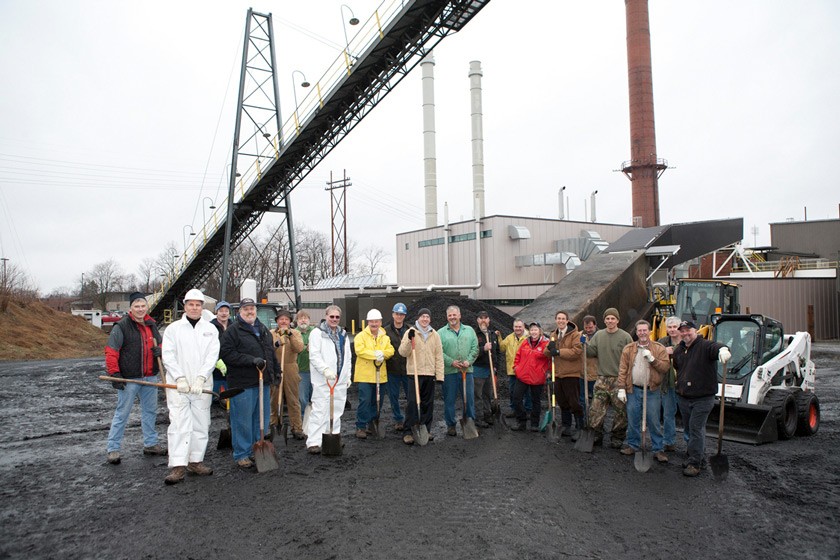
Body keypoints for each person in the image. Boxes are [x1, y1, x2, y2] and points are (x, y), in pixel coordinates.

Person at [160, 289, 219, 485]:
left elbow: (212, 356)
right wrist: (180, 378)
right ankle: (178, 465)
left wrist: (202, 377)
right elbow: (168, 355)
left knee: (201, 423)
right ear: (184, 306)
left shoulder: (210, 330)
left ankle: (195, 461)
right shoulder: (173, 329)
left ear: (202, 307)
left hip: (201, 385)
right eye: (191, 304)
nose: (194, 308)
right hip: (179, 386)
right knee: (178, 423)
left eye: (198, 304)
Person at [104, 291, 166, 464]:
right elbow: (111, 351)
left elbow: (160, 344)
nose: (140, 309)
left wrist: (160, 351)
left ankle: (150, 444)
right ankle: (113, 448)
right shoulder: (122, 326)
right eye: (136, 306)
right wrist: (114, 373)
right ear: (130, 308)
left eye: (143, 306)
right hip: (129, 379)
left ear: (147, 307)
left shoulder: (151, 325)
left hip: (150, 377)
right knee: (122, 413)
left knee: (150, 412)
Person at [219, 298, 280, 469]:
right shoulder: (233, 331)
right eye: (245, 309)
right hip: (242, 383)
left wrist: (276, 371)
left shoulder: (263, 329)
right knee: (242, 420)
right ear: (239, 312)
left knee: (260, 419)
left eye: (252, 309)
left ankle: (256, 447)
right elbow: (227, 354)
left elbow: (270, 352)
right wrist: (251, 360)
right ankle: (242, 453)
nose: (249, 312)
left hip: (263, 382)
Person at [673, 320, 730, 477]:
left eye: (688, 330)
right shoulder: (679, 350)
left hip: (703, 398)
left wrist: (724, 350)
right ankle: (699, 458)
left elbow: (716, 347)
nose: (685, 333)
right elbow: (678, 368)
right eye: (682, 331)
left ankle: (694, 463)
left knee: (696, 428)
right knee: (689, 429)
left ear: (696, 330)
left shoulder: (705, 346)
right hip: (684, 397)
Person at [616, 319, 671, 462]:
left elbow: (665, 367)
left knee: (653, 421)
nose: (642, 333)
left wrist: (652, 359)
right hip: (633, 390)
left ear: (649, 331)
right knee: (633, 418)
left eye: (644, 330)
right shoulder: (629, 349)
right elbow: (622, 370)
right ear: (636, 332)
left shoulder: (658, 348)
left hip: (652, 390)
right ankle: (633, 445)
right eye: (639, 330)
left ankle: (658, 449)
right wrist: (621, 388)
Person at [306, 305, 352, 454]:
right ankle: (314, 441)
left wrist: (348, 375)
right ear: (326, 316)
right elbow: (314, 355)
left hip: (339, 379)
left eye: (337, 317)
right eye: (331, 317)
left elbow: (348, 357)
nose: (334, 319)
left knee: (337, 409)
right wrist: (324, 370)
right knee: (320, 409)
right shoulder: (317, 334)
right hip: (323, 379)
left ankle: (333, 436)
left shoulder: (343, 334)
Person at [585, 308, 633, 448]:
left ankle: (617, 437)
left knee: (620, 412)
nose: (610, 321)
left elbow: (631, 358)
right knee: (596, 409)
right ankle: (596, 435)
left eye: (613, 318)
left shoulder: (625, 337)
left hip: (619, 380)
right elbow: (590, 352)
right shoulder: (599, 335)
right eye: (607, 318)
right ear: (604, 320)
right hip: (601, 379)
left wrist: (626, 381)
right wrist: (584, 344)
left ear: (617, 320)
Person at [398, 308, 444, 444]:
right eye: (423, 316)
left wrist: (440, 375)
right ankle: (408, 431)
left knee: (428, 404)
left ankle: (425, 429)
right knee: (412, 403)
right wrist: (408, 339)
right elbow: (402, 352)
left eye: (427, 317)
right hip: (414, 373)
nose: (425, 319)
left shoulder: (434, 334)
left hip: (429, 373)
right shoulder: (410, 332)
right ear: (418, 318)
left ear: (430, 319)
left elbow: (438, 356)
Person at [353, 309, 395, 439]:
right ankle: (361, 426)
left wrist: (383, 354)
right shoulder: (360, 336)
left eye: (376, 321)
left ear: (380, 322)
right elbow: (360, 351)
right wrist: (375, 354)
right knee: (364, 401)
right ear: (368, 322)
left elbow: (391, 350)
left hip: (380, 376)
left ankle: (372, 423)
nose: (374, 324)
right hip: (365, 375)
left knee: (377, 401)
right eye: (371, 321)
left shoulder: (385, 337)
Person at [438, 305, 479, 437]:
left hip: (467, 371)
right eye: (450, 315)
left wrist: (469, 361)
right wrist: (451, 361)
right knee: (449, 400)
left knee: (469, 398)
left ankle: (470, 421)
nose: (452, 317)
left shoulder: (469, 330)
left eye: (454, 315)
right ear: (447, 317)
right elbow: (438, 352)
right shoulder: (440, 333)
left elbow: (475, 348)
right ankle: (451, 425)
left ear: (460, 315)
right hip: (450, 372)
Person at [545, 310, 584, 440]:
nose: (560, 321)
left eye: (563, 319)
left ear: (567, 320)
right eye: (558, 319)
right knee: (562, 401)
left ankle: (579, 427)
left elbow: (577, 351)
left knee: (574, 401)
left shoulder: (575, 335)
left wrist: (558, 351)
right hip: (558, 374)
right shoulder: (553, 335)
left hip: (571, 373)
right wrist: (549, 348)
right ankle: (567, 425)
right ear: (555, 320)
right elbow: (547, 353)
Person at [272, 310, 305, 440]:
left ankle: (296, 428)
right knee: (274, 399)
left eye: (286, 319)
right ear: (277, 321)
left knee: (293, 400)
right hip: (276, 367)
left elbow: (299, 348)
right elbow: (267, 349)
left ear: (290, 321)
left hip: (291, 367)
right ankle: (274, 425)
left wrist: (290, 336)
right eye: (281, 319)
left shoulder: (296, 333)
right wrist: (277, 344)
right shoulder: (271, 333)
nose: (284, 321)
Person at [511, 322, 550, 431]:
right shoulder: (525, 342)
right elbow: (518, 355)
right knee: (516, 398)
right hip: (522, 375)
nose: (533, 332)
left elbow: (550, 359)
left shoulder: (546, 344)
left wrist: (549, 371)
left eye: (535, 329)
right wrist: (516, 367)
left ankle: (534, 424)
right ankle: (521, 421)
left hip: (537, 377)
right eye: (532, 330)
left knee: (535, 401)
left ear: (540, 331)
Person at [384, 303, 410, 432]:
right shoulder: (385, 330)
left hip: (408, 369)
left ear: (405, 315)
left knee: (410, 395)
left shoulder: (411, 330)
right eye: (397, 314)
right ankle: (398, 419)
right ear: (393, 314)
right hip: (392, 369)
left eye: (402, 314)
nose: (399, 316)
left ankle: (410, 418)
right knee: (393, 396)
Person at [657, 316, 682, 452]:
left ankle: (690, 443)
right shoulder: (662, 342)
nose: (672, 330)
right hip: (668, 384)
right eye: (670, 327)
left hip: (684, 385)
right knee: (668, 414)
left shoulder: (686, 342)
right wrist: (663, 353)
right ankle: (669, 441)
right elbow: (652, 357)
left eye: (675, 327)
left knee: (688, 416)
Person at [472, 311, 501, 428]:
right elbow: (471, 352)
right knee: (477, 395)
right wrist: (483, 348)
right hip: (478, 369)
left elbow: (497, 352)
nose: (483, 320)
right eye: (481, 318)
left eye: (486, 318)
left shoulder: (493, 334)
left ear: (489, 320)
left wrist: (495, 366)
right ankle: (478, 418)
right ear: (477, 320)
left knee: (487, 394)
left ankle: (487, 414)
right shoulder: (473, 334)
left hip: (490, 369)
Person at [498, 319, 530, 417]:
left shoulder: (529, 338)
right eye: (516, 327)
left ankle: (528, 410)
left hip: (526, 370)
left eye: (520, 327)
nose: (518, 329)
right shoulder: (509, 337)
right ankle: (514, 409)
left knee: (527, 392)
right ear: (513, 327)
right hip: (513, 370)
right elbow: (502, 348)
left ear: (523, 326)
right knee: (512, 391)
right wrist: (498, 337)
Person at [295, 311, 315, 422]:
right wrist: (305, 348)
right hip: (301, 370)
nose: (303, 320)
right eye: (300, 318)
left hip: (316, 371)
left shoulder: (315, 332)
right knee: (302, 398)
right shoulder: (294, 333)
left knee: (316, 398)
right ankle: (304, 420)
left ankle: (315, 420)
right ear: (297, 321)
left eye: (305, 318)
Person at [210, 301, 232, 400]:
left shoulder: (234, 326)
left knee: (230, 397)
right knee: (214, 396)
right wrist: (216, 360)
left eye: (226, 311)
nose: (224, 313)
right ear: (216, 312)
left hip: (231, 367)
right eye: (221, 311)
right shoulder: (210, 327)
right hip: (215, 369)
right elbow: (208, 347)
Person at [579, 315, 598, 413]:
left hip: (596, 374)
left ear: (595, 325)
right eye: (586, 328)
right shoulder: (580, 335)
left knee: (596, 400)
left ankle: (594, 420)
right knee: (582, 399)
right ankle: (583, 419)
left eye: (590, 327)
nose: (588, 330)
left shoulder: (600, 336)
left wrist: (586, 345)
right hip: (582, 374)